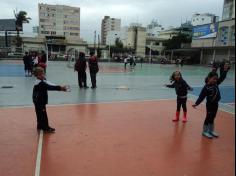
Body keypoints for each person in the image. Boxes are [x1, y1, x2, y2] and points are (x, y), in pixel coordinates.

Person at [193, 63, 230, 139]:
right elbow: (201, 97)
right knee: (208, 117)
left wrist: (225, 70)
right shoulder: (206, 88)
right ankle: (204, 131)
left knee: (213, 117)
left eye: (216, 79)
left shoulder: (216, 84)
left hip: (215, 104)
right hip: (209, 104)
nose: (215, 80)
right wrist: (196, 104)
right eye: (214, 78)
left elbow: (222, 77)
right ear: (209, 78)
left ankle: (211, 130)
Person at [33, 67, 67, 133]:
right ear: (37, 76)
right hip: (40, 101)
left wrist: (59, 87)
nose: (43, 75)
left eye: (43, 74)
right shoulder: (41, 84)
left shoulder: (41, 81)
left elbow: (49, 83)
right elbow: (50, 87)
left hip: (37, 101)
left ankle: (39, 125)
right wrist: (60, 88)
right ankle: (46, 128)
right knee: (43, 114)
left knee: (39, 114)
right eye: (41, 74)